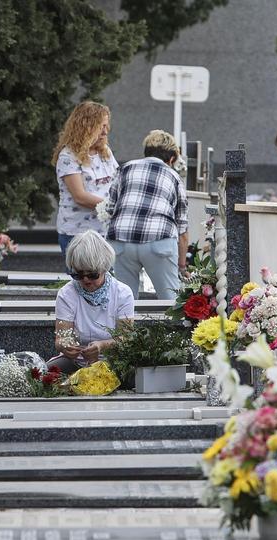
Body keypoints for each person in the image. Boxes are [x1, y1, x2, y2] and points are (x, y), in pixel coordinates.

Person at [102, 130, 189, 301]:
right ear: (171, 159)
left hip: (121, 240)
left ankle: (123, 329)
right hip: (159, 241)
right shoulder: (174, 177)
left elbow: (110, 208)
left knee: (123, 302)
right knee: (171, 301)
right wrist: (182, 265)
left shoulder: (126, 168)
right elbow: (182, 228)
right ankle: (172, 328)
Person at [48, 230, 134, 374]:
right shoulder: (66, 293)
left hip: (114, 362)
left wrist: (102, 346)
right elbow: (61, 338)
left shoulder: (122, 292)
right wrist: (67, 346)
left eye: (92, 274)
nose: (86, 280)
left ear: (104, 268)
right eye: (78, 274)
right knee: (43, 373)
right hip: (75, 363)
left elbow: (126, 339)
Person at [52, 102, 118, 261]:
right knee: (82, 281)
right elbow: (80, 196)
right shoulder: (68, 156)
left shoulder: (105, 152)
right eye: (101, 126)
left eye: (106, 126)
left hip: (105, 231)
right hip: (77, 234)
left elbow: (117, 181)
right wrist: (116, 207)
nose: (105, 131)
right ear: (87, 126)